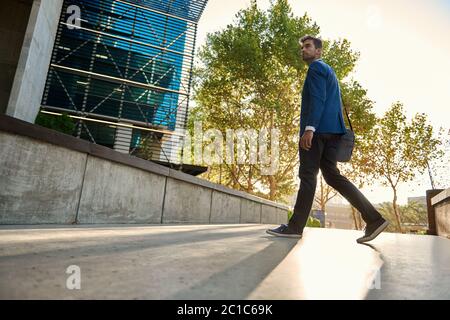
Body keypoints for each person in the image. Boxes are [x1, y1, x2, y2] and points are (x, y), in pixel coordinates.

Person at [266, 35, 388, 243]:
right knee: (332, 176)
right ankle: (374, 219)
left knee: (307, 175)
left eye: (307, 46)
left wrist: (309, 128)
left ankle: (295, 227)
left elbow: (319, 99)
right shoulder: (329, 71)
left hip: (318, 132)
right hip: (334, 133)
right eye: (302, 47)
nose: (303, 50)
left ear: (318, 51)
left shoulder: (316, 68)